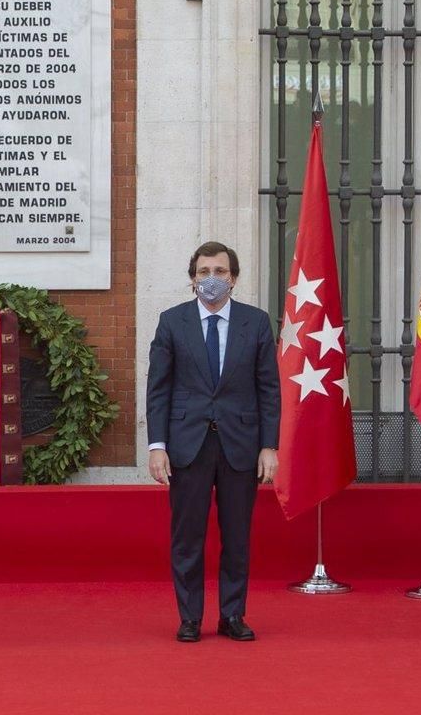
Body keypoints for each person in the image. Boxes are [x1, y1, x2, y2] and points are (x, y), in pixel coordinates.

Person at [145, 241, 279, 643]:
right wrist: (157, 446)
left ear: (234, 279)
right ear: (192, 280)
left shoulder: (255, 323)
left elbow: (269, 389)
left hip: (241, 445)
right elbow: (159, 390)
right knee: (187, 538)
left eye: (220, 272)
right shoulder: (172, 322)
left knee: (237, 537)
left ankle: (232, 616)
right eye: (204, 272)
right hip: (188, 445)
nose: (212, 280)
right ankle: (189, 618)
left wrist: (269, 445)